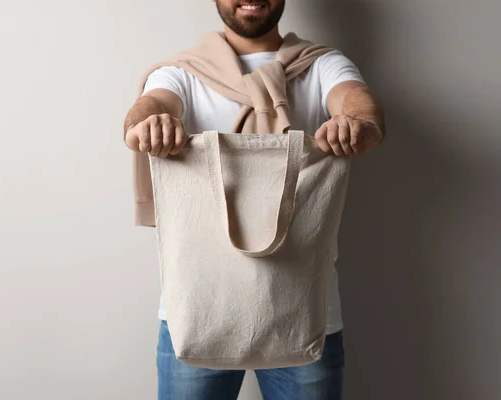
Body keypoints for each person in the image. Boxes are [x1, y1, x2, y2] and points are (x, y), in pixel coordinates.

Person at [123, 1, 385, 399]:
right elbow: (151, 106)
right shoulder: (182, 73)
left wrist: (357, 124)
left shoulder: (321, 65)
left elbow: (357, 101)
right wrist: (149, 122)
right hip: (194, 310)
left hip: (305, 313)